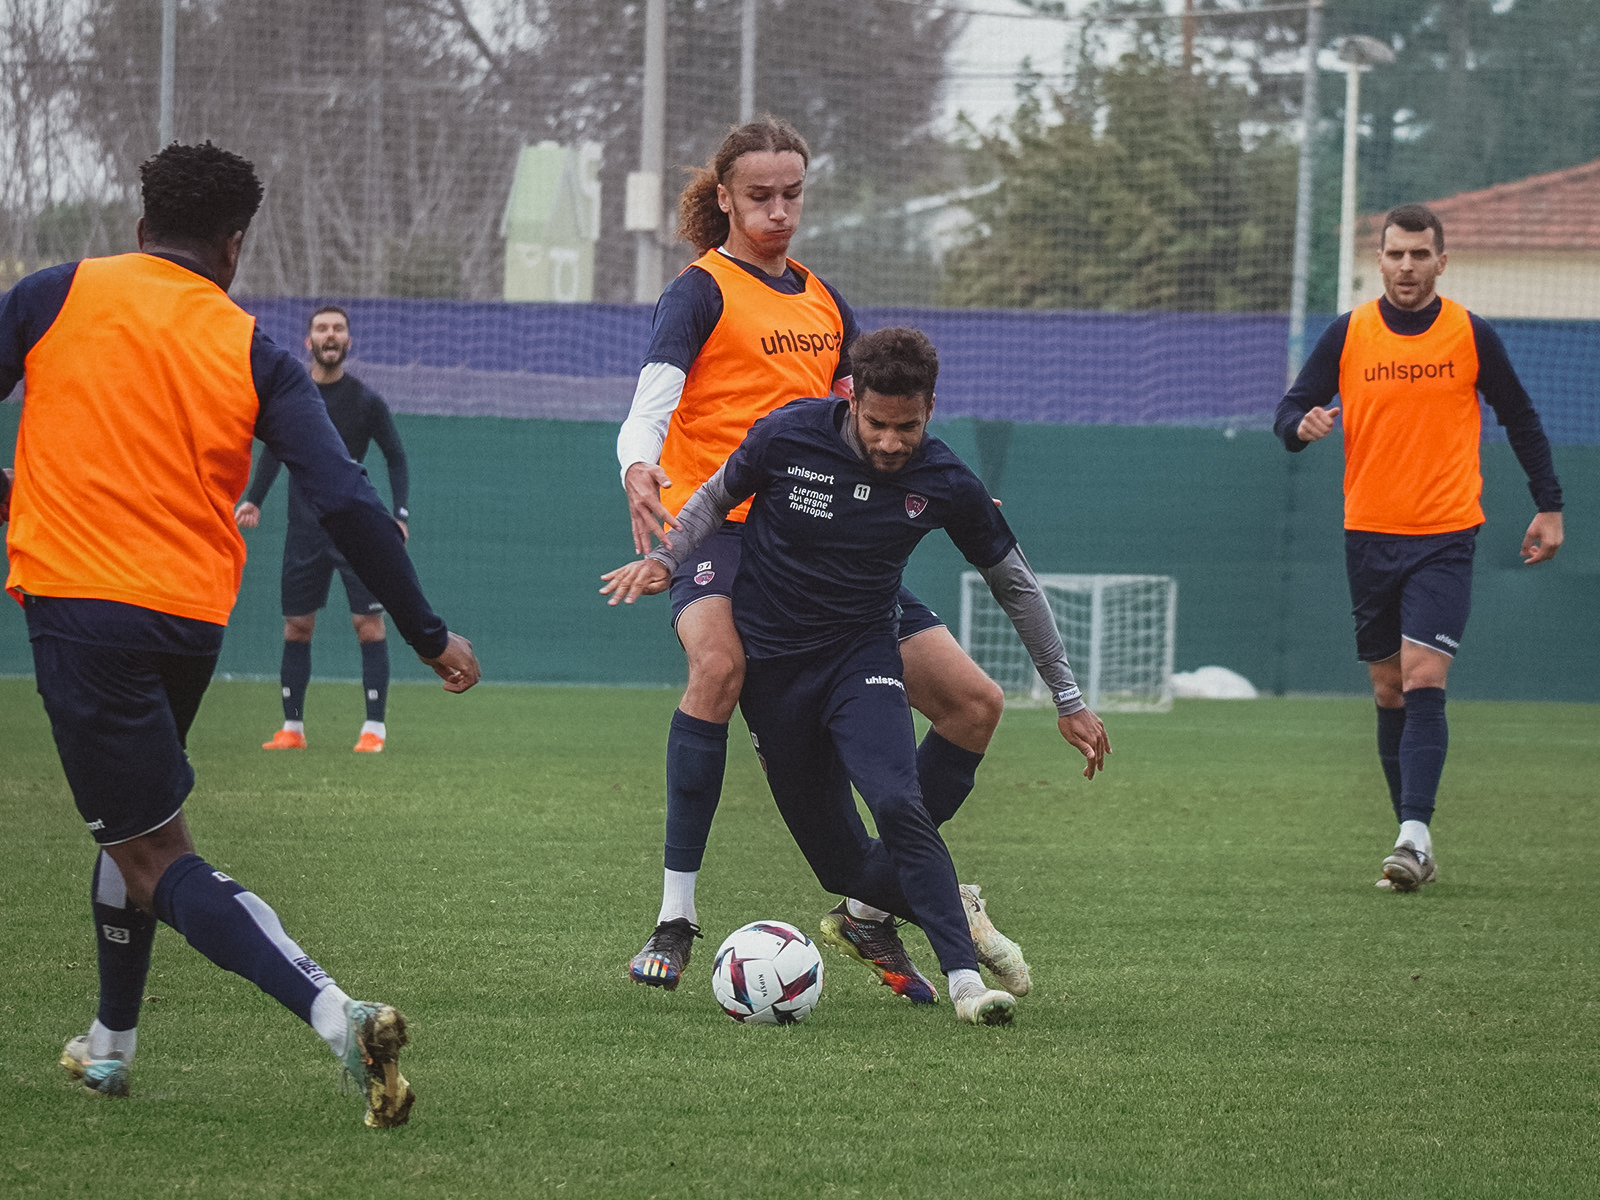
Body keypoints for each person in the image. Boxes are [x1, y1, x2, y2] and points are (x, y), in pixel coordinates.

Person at [0, 142, 480, 1124]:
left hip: (83, 612)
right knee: (132, 825)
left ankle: (336, 1012)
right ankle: (111, 1048)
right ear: (234, 246)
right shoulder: (254, 348)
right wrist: (428, 633)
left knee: (151, 851)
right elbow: (347, 502)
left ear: (140, 229)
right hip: (187, 622)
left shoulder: (53, 295)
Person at [617, 117, 1023, 1003]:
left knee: (974, 703)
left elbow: (883, 406)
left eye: (792, 194)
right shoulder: (699, 291)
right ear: (724, 196)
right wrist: (637, 462)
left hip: (831, 538)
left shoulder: (824, 301)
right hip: (722, 527)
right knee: (718, 666)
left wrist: (957, 487)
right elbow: (653, 397)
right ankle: (675, 916)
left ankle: (882, 899)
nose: (777, 211)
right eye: (759, 195)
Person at [603, 327, 1110, 1025]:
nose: (893, 442)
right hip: (778, 676)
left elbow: (1015, 585)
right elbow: (716, 499)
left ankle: (965, 982)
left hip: (862, 659)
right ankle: (917, 908)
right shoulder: (787, 436)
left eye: (909, 426)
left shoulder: (945, 480)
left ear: (930, 409)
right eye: (878, 423)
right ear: (851, 400)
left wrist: (1068, 697)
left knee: (899, 801)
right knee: (845, 869)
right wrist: (669, 557)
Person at [1275, 203, 1564, 891]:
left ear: (1442, 259)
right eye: (1396, 254)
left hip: (1446, 533)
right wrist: (1301, 425)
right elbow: (1289, 412)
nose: (1408, 266)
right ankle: (1415, 842)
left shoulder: (1471, 335)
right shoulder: (1350, 333)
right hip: (1369, 536)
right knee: (1387, 691)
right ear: (1379, 260)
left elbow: (1520, 417)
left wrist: (1549, 504)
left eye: (1420, 254)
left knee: (1423, 674)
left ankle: (1412, 834)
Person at [236, 305, 409, 753]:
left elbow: (396, 456)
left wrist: (400, 514)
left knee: (368, 625)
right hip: (304, 531)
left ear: (349, 342)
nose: (330, 336)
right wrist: (254, 498)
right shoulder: (293, 396)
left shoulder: (366, 401)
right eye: (321, 329)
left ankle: (374, 729)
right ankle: (292, 730)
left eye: (338, 329)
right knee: (297, 626)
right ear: (307, 342)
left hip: (356, 530)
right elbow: (275, 450)